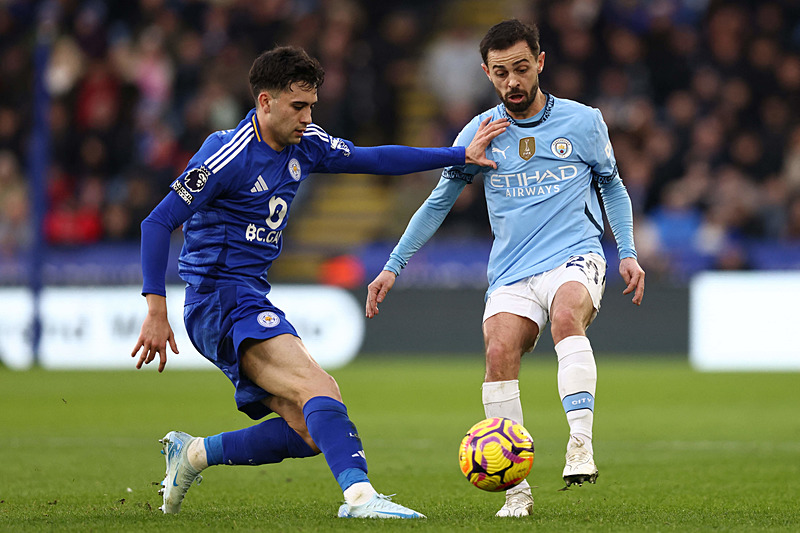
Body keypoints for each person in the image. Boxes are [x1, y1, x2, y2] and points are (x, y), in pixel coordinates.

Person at [130, 45, 507, 519]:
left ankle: (193, 454)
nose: (307, 117)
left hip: (247, 294)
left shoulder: (305, 142)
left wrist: (458, 154)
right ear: (264, 102)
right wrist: (155, 308)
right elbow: (156, 222)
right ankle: (360, 498)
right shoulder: (226, 154)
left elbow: (372, 159)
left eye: (312, 106)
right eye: (297, 107)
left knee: (310, 430)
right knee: (319, 388)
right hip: (219, 297)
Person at [365, 20, 645, 518]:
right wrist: (393, 266)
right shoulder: (479, 132)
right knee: (498, 352)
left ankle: (580, 444)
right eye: (500, 73)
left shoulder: (584, 121)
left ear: (540, 62)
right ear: (486, 74)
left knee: (565, 319)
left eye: (520, 68)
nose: (512, 81)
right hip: (512, 269)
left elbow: (613, 186)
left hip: (575, 255)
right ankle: (517, 493)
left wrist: (627, 251)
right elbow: (438, 202)